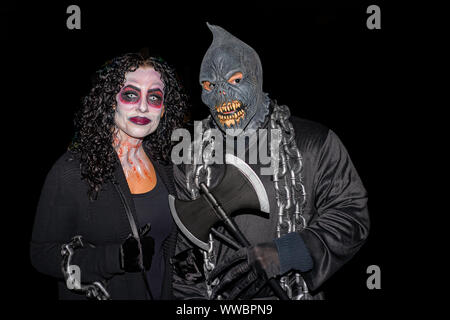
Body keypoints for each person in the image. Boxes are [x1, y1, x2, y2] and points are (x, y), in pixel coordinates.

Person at [171, 24, 370, 300]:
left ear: (256, 76)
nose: (221, 96)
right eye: (209, 85)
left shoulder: (313, 142)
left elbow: (351, 215)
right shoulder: (190, 158)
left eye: (235, 80)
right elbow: (185, 258)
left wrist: (286, 252)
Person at [30, 52, 189, 299]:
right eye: (130, 94)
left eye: (155, 97)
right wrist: (111, 259)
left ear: (164, 108)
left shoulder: (165, 165)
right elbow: (42, 255)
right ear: (110, 100)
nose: (143, 106)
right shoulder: (74, 169)